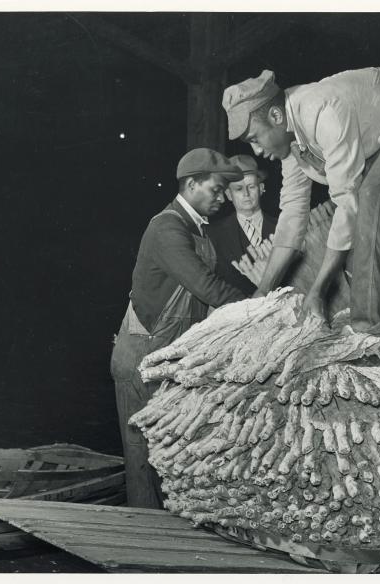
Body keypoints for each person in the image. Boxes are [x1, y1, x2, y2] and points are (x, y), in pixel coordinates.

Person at [221, 67, 380, 355]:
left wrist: (318, 290)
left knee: (375, 198)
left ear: (276, 117)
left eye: (254, 138)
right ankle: (370, 317)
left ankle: (375, 335)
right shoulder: (290, 137)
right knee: (364, 223)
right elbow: (292, 215)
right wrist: (262, 292)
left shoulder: (322, 110)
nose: (257, 152)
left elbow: (346, 203)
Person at [109, 148, 246, 508]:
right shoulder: (166, 227)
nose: (221, 199)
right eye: (216, 190)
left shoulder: (196, 229)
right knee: (144, 457)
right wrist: (260, 308)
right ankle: (145, 540)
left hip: (171, 357)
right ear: (191, 184)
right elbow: (208, 288)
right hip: (143, 358)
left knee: (170, 453)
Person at [207, 154, 278, 296]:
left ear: (261, 188)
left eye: (251, 186)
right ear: (228, 194)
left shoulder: (282, 227)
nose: (246, 194)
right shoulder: (212, 234)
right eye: (238, 189)